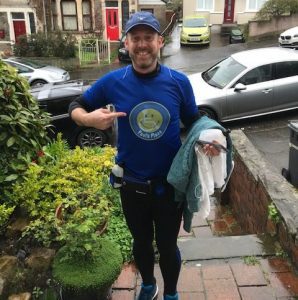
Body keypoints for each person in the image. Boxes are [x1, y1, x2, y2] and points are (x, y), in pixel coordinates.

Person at [69, 11, 219, 300]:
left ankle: (171, 294)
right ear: (126, 43)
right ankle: (149, 285)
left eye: (148, 37)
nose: (142, 44)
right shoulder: (114, 82)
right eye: (135, 38)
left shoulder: (178, 82)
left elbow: (194, 119)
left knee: (167, 245)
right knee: (140, 242)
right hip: (132, 184)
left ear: (159, 41)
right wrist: (89, 120)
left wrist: (209, 138)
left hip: (169, 186)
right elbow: (76, 105)